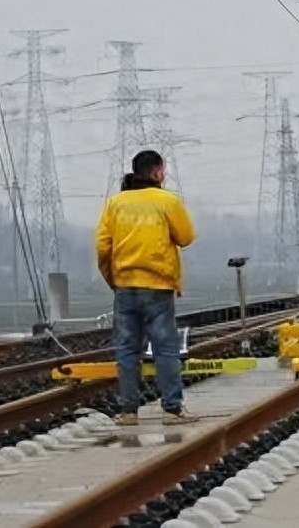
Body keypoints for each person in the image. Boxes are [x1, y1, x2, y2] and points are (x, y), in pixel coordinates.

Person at [95, 150, 197, 426]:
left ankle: (128, 411)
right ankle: (172, 409)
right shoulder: (166, 201)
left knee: (127, 349)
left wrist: (112, 278)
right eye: (163, 171)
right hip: (158, 285)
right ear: (156, 172)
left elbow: (103, 246)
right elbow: (186, 237)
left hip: (125, 286)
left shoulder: (115, 204)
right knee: (165, 347)